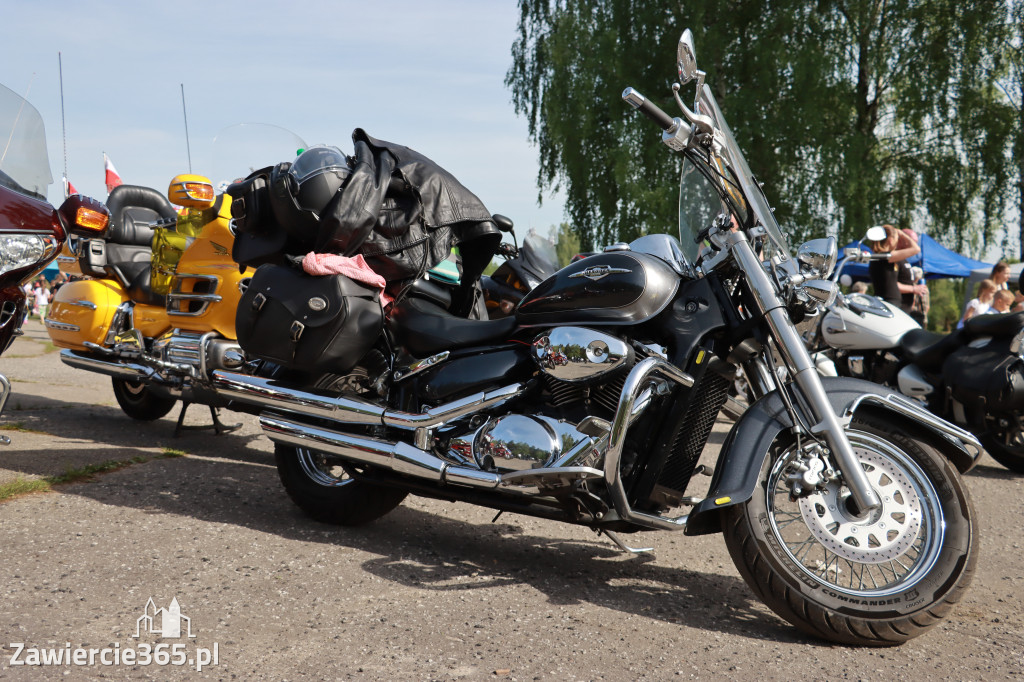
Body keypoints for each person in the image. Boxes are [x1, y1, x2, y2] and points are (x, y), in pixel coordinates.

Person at [867, 224, 925, 314]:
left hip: (891, 303)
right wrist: (902, 234)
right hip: (889, 303)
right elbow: (916, 249)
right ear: (890, 240)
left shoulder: (880, 257)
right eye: (896, 238)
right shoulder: (885, 257)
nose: (897, 241)